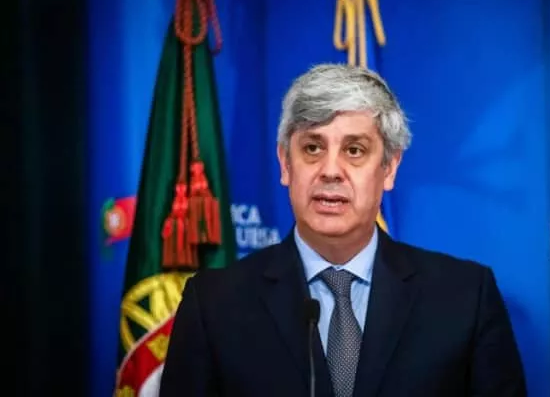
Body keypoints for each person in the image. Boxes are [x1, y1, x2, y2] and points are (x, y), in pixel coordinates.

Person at [160, 63, 527, 396]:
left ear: (389, 168)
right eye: (312, 148)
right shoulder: (214, 304)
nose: (331, 171)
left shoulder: (465, 298)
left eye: (354, 150)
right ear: (285, 164)